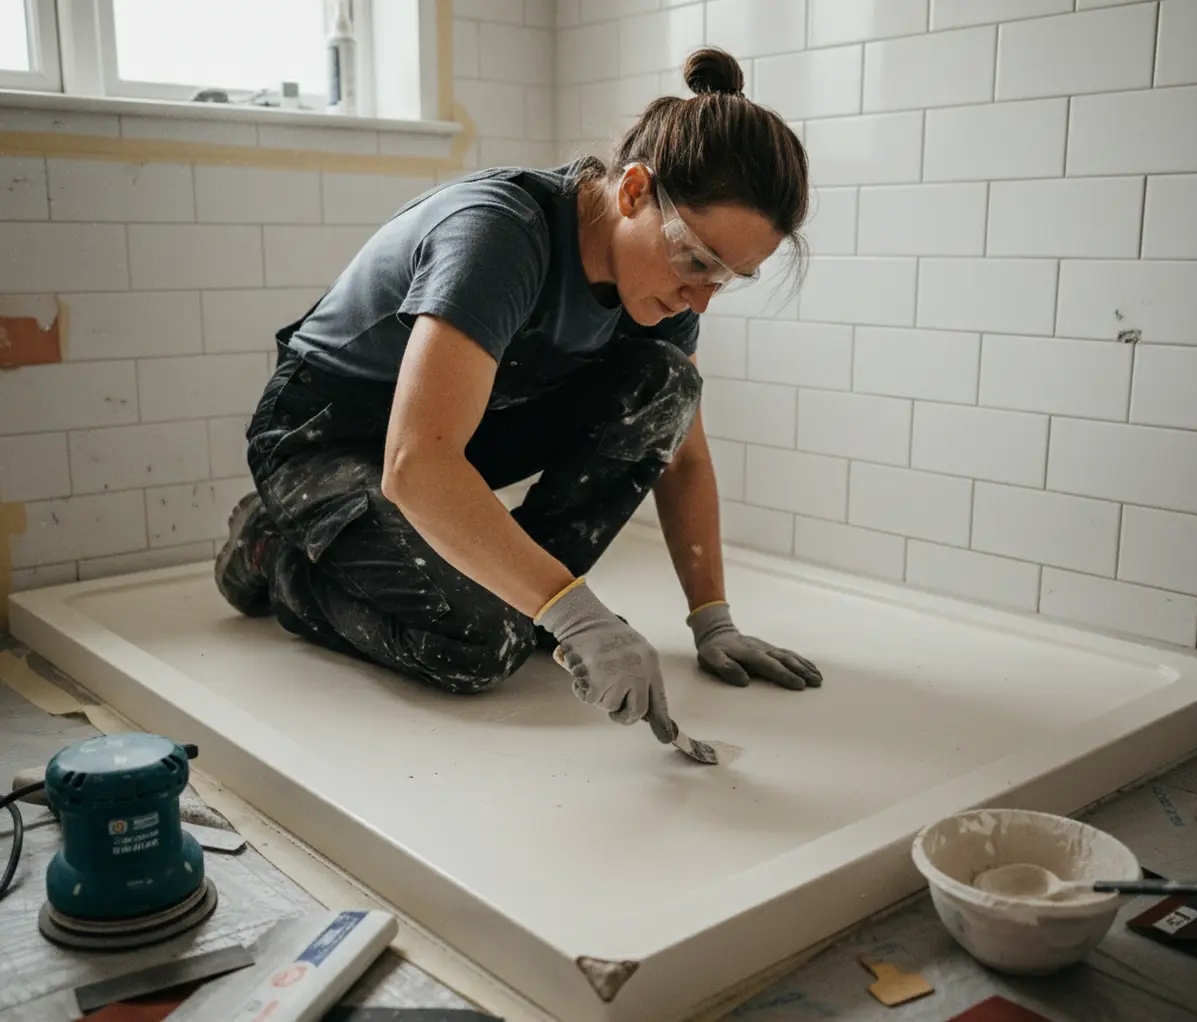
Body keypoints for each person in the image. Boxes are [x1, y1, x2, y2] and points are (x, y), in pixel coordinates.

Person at [215, 46, 823, 747]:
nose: (702, 298)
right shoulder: (500, 234)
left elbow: (682, 457)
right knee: (481, 645)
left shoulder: (668, 292)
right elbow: (418, 462)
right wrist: (578, 616)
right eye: (696, 261)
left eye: (727, 279)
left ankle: (521, 595)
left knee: (666, 384)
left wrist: (712, 618)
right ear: (631, 193)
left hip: (452, 434)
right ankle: (273, 550)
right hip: (322, 435)